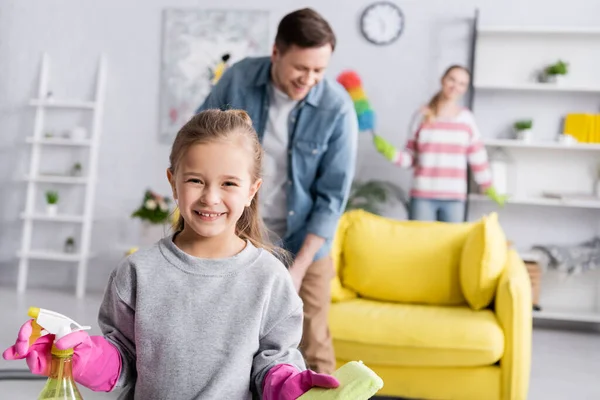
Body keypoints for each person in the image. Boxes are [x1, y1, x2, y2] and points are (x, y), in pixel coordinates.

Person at [2, 109, 340, 399]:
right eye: (196, 180)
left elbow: (273, 363)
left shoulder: (270, 279)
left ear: (253, 190)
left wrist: (289, 386)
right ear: (173, 181)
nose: (210, 197)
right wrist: (79, 357)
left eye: (229, 184)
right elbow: (122, 361)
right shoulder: (136, 272)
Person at [196, 8, 358, 374]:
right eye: (301, 68)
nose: (310, 79)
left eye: (320, 70)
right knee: (228, 336)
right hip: (238, 233)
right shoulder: (239, 80)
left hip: (306, 243)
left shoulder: (337, 108)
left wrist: (297, 269)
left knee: (312, 341)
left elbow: (331, 199)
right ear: (276, 53)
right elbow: (199, 136)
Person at [373, 65, 506, 223]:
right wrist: (390, 153)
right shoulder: (421, 116)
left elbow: (477, 157)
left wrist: (487, 184)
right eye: (452, 79)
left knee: (450, 245)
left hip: (454, 198)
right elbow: (411, 159)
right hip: (423, 196)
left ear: (465, 89)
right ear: (443, 80)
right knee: (421, 245)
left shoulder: (466, 119)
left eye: (462, 84)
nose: (455, 86)